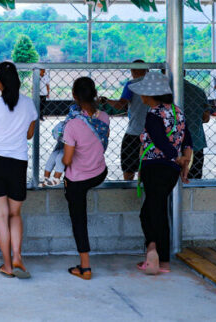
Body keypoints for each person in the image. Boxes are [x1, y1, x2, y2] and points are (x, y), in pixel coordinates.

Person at [0, 61, 38, 279]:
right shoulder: (29, 104)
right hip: (18, 163)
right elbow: (29, 135)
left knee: (1, 216)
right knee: (15, 214)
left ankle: (7, 265)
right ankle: (18, 257)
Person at [129, 72, 193, 276]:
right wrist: (184, 163)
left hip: (155, 167)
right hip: (171, 170)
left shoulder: (153, 114)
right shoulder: (177, 111)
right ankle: (155, 253)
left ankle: (156, 254)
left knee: (152, 213)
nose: (141, 97)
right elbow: (187, 138)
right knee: (155, 210)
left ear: (150, 95)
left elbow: (159, 140)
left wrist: (176, 156)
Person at [60, 77, 110, 280]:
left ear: (74, 96)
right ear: (95, 93)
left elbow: (68, 159)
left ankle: (85, 267)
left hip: (79, 179)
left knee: (79, 219)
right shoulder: (105, 117)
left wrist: (60, 159)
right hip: (99, 173)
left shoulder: (72, 125)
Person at [99, 60, 147, 181]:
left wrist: (106, 100)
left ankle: (129, 189)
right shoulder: (156, 84)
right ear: (147, 70)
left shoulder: (131, 84)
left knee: (129, 167)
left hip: (135, 131)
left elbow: (121, 105)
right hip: (152, 133)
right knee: (146, 167)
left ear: (133, 71)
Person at [183, 75, 211, 180]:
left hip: (170, 145)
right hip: (196, 142)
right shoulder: (198, 91)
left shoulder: (163, 93)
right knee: (194, 180)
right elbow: (206, 118)